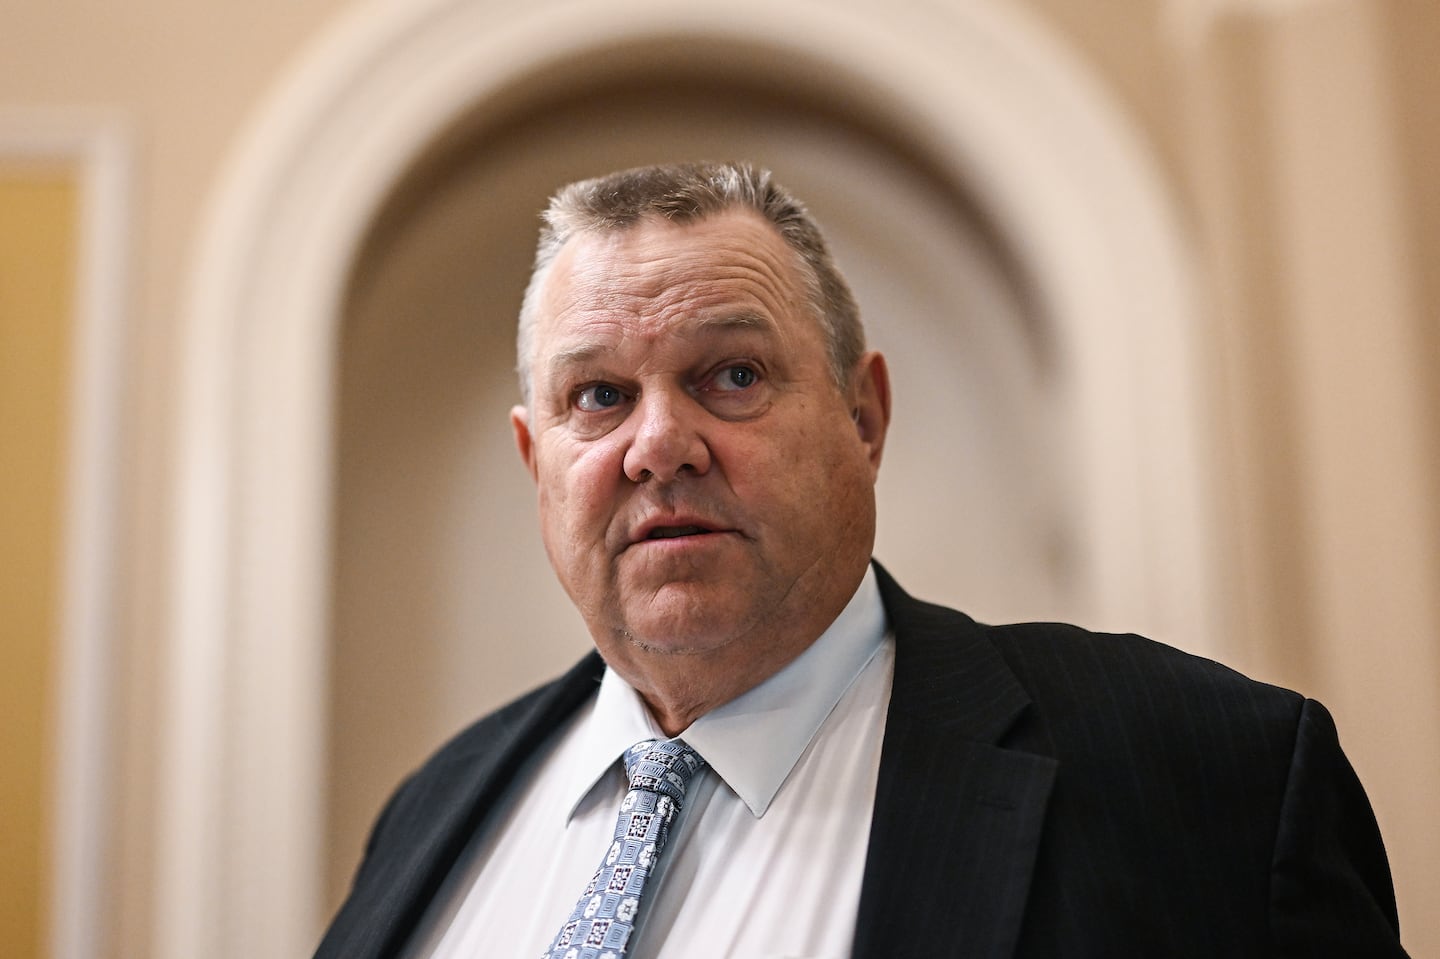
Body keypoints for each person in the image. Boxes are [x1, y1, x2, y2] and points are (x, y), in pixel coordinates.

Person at [315, 162, 1406, 958]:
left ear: (864, 416)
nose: (659, 445)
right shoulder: (432, 811)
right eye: (598, 395)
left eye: (731, 374)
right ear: (534, 458)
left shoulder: (1210, 778)